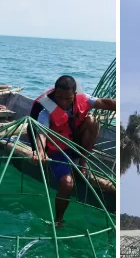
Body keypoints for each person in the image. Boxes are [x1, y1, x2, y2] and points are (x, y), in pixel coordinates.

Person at [29, 75, 116, 228]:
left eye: (67, 98)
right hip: (58, 151)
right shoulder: (46, 111)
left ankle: (83, 163)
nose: (63, 102)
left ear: (74, 95)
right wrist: (40, 152)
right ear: (54, 93)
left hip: (76, 146)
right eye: (59, 97)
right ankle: (58, 220)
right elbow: (41, 134)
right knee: (67, 184)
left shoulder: (84, 99)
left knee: (92, 121)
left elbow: (103, 102)